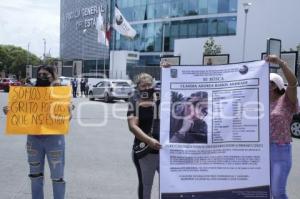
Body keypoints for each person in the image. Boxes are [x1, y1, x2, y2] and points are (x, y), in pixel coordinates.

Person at [3, 65, 72, 199]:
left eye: (45, 75)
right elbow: (21, 111)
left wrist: (68, 110)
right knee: (35, 176)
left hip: (54, 140)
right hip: (34, 140)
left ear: (53, 76)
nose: (41, 77)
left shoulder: (60, 92)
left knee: (57, 177)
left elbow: (68, 118)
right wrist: (10, 112)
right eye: (39, 74)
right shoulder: (30, 93)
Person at [267, 55, 298, 199]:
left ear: (276, 85)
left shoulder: (286, 100)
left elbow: (292, 83)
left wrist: (280, 63)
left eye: (269, 82)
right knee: (266, 192)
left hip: (280, 150)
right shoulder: (261, 102)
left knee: (278, 192)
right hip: (262, 152)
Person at [127, 73, 161, 199]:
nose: (146, 88)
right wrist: (149, 140)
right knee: (146, 187)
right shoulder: (134, 101)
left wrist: (170, 68)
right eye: (143, 85)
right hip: (145, 151)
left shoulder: (161, 98)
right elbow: (132, 126)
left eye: (149, 85)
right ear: (138, 87)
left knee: (169, 185)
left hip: (166, 151)